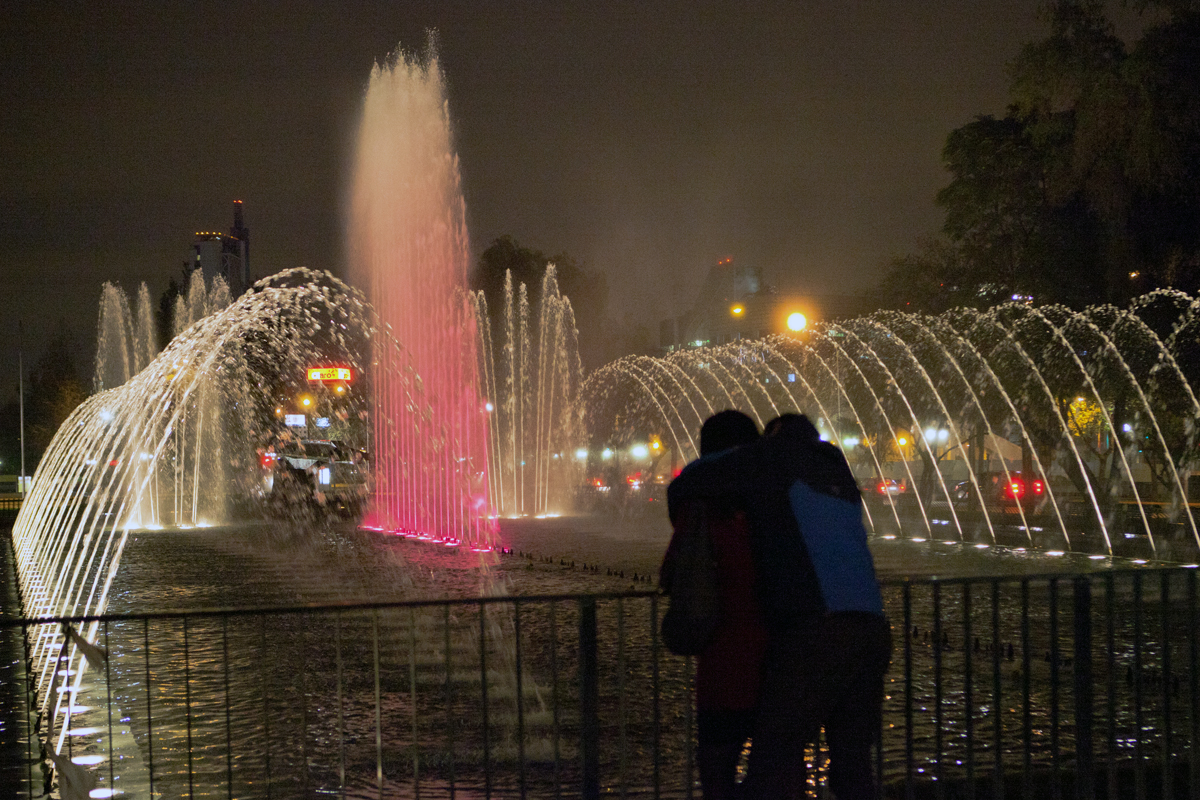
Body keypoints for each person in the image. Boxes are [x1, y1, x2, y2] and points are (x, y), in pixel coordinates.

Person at [669, 412, 892, 800]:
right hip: (872, 628)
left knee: (772, 765)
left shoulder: (771, 457)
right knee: (852, 768)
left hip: (818, 629)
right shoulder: (832, 467)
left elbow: (692, 479)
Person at [662, 409, 769, 800]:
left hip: (725, 660)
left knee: (717, 767)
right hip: (783, 655)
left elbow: (674, 569)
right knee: (775, 767)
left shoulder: (701, 503)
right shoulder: (775, 499)